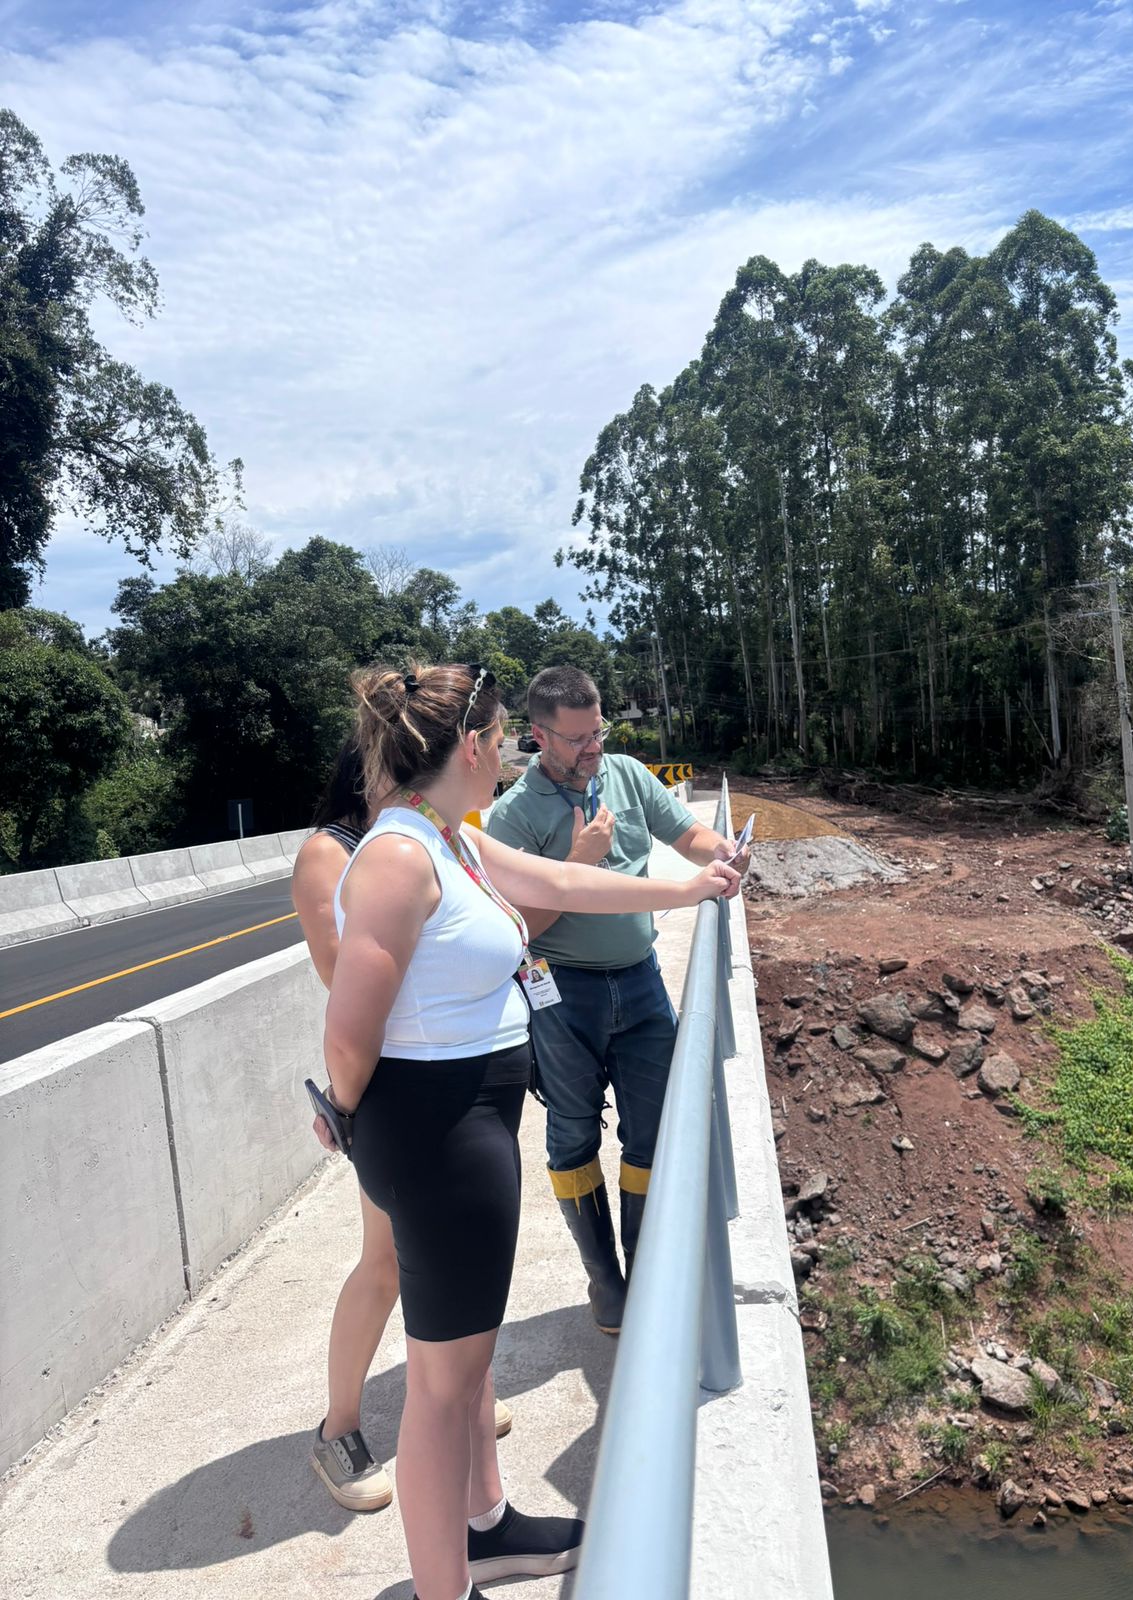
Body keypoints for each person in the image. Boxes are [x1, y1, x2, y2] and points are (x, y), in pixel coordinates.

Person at [322, 661, 738, 1600]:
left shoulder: (449, 839)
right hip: (436, 1134)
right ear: (472, 747)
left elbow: (563, 882)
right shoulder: (398, 857)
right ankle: (446, 1586)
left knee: (468, 1368)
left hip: (469, 1124)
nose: (510, 757)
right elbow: (348, 1032)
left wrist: (692, 889)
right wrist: (346, 1115)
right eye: (504, 739)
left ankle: (487, 1525)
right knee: (439, 1392)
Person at [486, 666, 746, 1334]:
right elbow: (515, 930)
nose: (592, 747)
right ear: (538, 735)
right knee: (572, 1134)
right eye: (576, 739)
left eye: (597, 732)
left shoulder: (627, 774)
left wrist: (721, 852)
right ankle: (605, 1280)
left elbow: (685, 834)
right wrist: (574, 864)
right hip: (562, 996)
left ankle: (646, 1272)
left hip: (640, 980)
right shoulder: (513, 817)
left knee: (654, 1129)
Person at [291, 741, 514, 1515]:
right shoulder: (335, 853)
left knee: (449, 1263)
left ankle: (468, 1399)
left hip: (443, 1082)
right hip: (392, 1089)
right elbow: (345, 978)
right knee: (386, 1261)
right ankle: (339, 1427)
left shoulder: (436, 835)